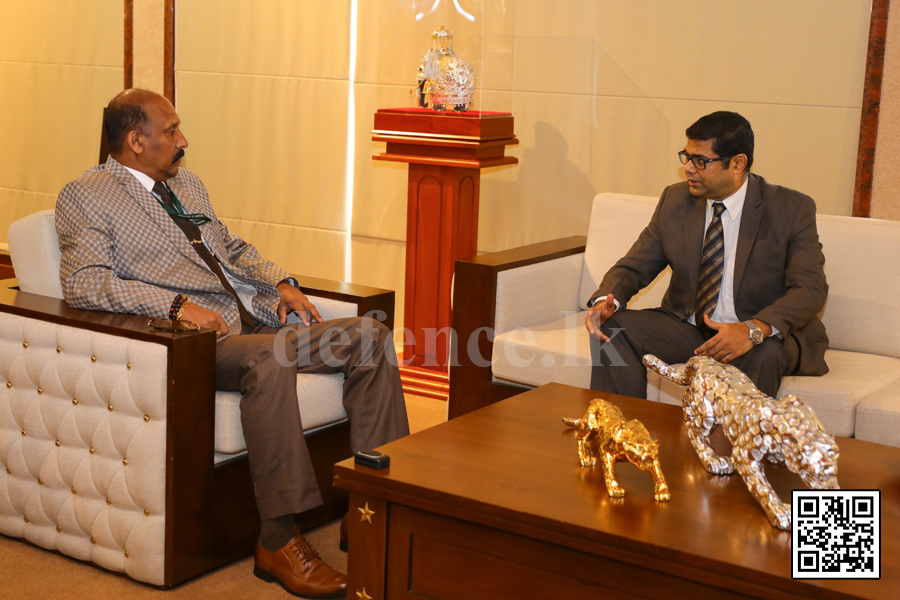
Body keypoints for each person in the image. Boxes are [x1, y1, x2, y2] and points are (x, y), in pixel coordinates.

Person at [56, 88, 410, 598]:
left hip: (255, 320)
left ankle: (371, 511)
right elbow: (85, 281)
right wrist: (177, 307)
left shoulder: (188, 184)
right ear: (136, 140)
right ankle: (278, 540)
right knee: (269, 358)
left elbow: (233, 248)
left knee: (371, 337)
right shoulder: (87, 194)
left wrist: (281, 282)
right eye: (172, 130)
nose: (183, 140)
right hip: (191, 342)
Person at [585, 111, 828, 399]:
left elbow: (810, 289)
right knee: (612, 329)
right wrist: (606, 300)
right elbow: (634, 266)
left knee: (765, 354)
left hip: (755, 333)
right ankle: (618, 434)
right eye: (686, 157)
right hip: (689, 328)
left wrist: (753, 329)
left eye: (700, 161)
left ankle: (734, 445)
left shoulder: (790, 209)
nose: (688, 168)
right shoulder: (675, 200)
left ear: (738, 163)